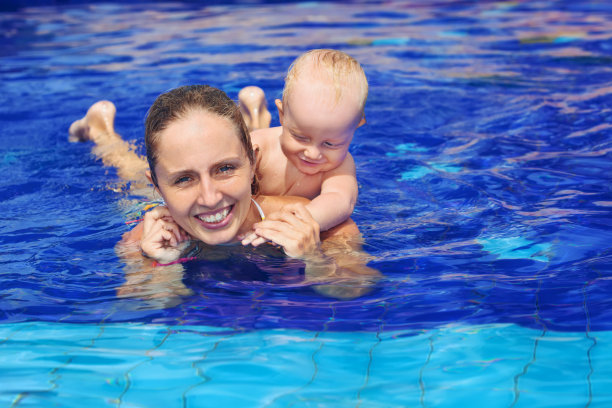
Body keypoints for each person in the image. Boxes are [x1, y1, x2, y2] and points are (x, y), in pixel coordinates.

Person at [70, 84, 378, 300]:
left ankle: (251, 127)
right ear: (160, 186)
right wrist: (161, 267)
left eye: (225, 169)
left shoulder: (310, 220)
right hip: (160, 205)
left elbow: (359, 289)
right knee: (130, 185)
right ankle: (101, 132)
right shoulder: (145, 239)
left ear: (253, 161)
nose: (210, 197)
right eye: (184, 179)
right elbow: (140, 309)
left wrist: (315, 258)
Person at [242, 49, 368, 236]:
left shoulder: (340, 165)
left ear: (356, 127)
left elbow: (341, 200)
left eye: (330, 144)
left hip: (283, 212)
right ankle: (254, 119)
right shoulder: (262, 146)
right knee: (245, 144)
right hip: (256, 149)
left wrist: (295, 223)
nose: (313, 153)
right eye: (301, 137)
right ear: (282, 115)